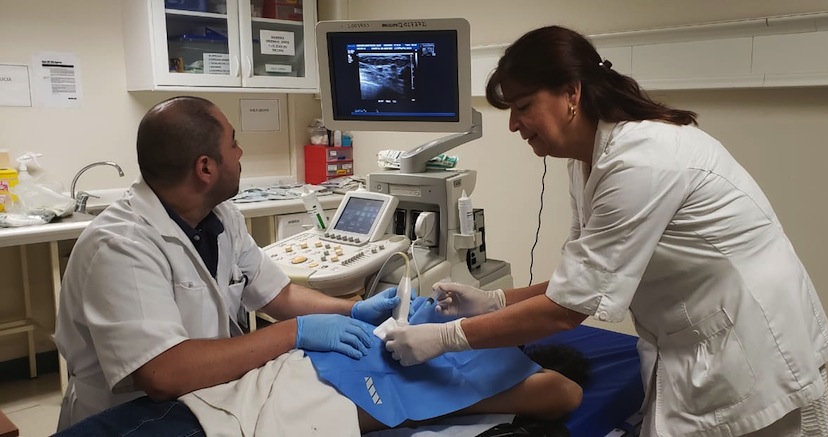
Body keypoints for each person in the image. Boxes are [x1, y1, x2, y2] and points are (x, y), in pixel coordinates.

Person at [383, 26, 828, 437]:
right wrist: (496, 301)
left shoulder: (642, 159)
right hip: (694, 339)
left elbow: (566, 310)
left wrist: (446, 337)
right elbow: (583, 277)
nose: (513, 124)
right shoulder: (588, 160)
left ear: (571, 93)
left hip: (751, 348)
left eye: (523, 106)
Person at [54, 96, 582, 435]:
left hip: (229, 387)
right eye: (235, 143)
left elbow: (277, 296)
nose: (241, 153)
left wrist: (353, 312)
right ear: (205, 167)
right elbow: (164, 374)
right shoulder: (120, 246)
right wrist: (300, 334)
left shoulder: (217, 215)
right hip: (144, 412)